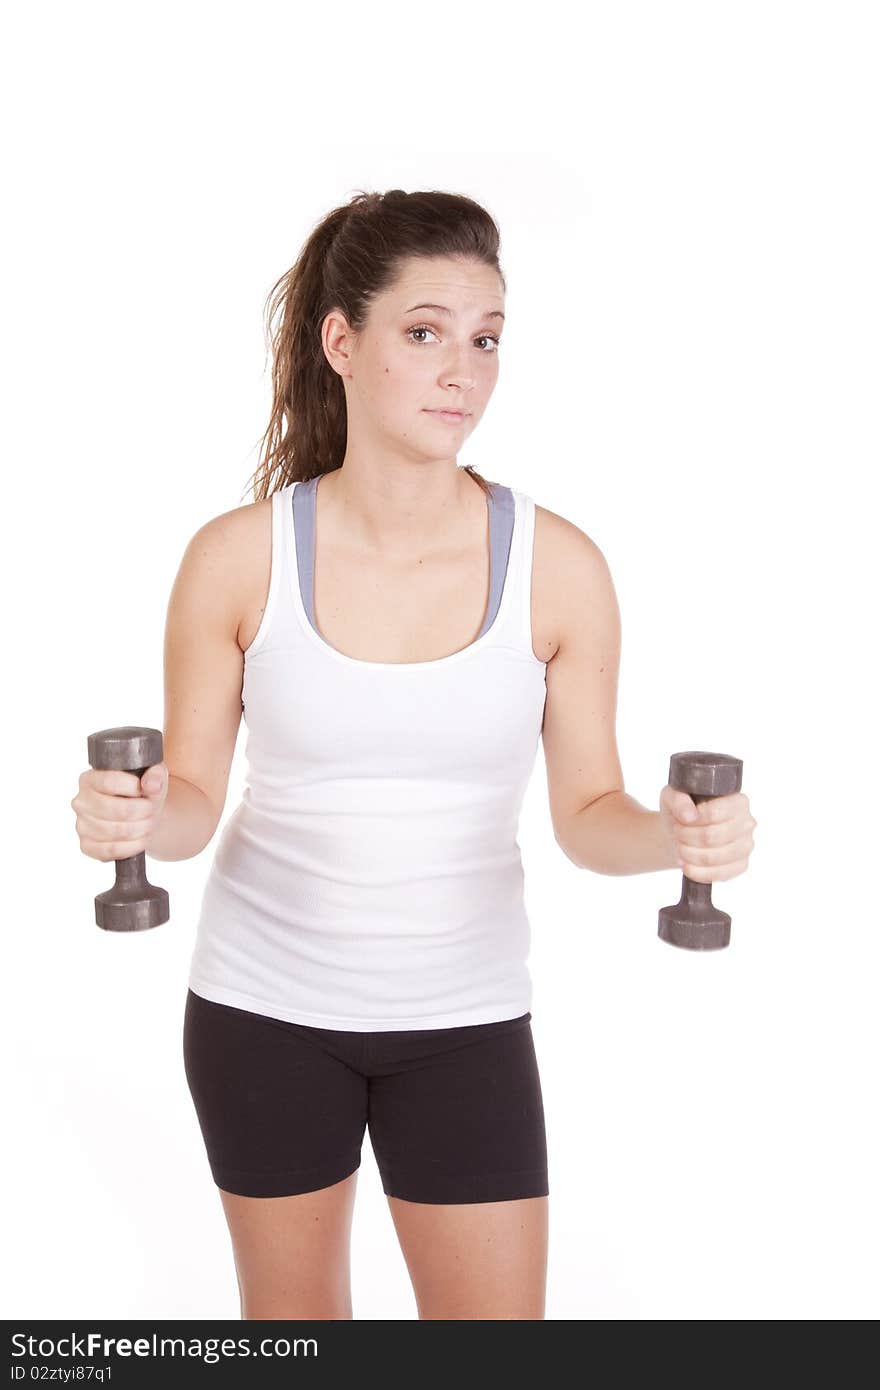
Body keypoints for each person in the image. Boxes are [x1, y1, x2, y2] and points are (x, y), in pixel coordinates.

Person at [71, 188, 757, 1319]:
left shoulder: (559, 565)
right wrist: (135, 817)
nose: (464, 371)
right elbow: (189, 798)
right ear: (342, 342)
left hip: (466, 1024)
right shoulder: (239, 559)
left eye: (486, 339)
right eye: (425, 332)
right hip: (262, 1015)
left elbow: (590, 814)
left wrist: (680, 835)